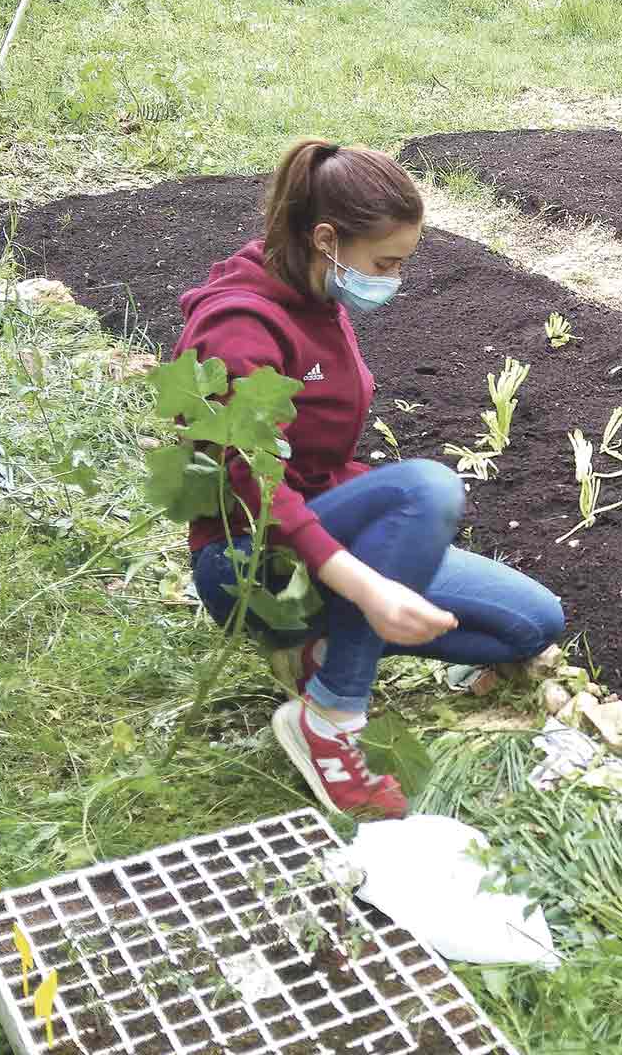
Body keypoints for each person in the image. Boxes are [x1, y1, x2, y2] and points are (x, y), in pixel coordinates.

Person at [177, 139, 566, 818]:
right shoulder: (238, 326)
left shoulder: (319, 297)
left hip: (320, 541)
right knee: (428, 489)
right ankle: (330, 715)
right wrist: (372, 582)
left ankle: (319, 648)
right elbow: (255, 487)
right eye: (386, 263)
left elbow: (324, 463)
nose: (393, 279)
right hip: (246, 561)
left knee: (532, 623)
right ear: (326, 238)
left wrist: (395, 546)